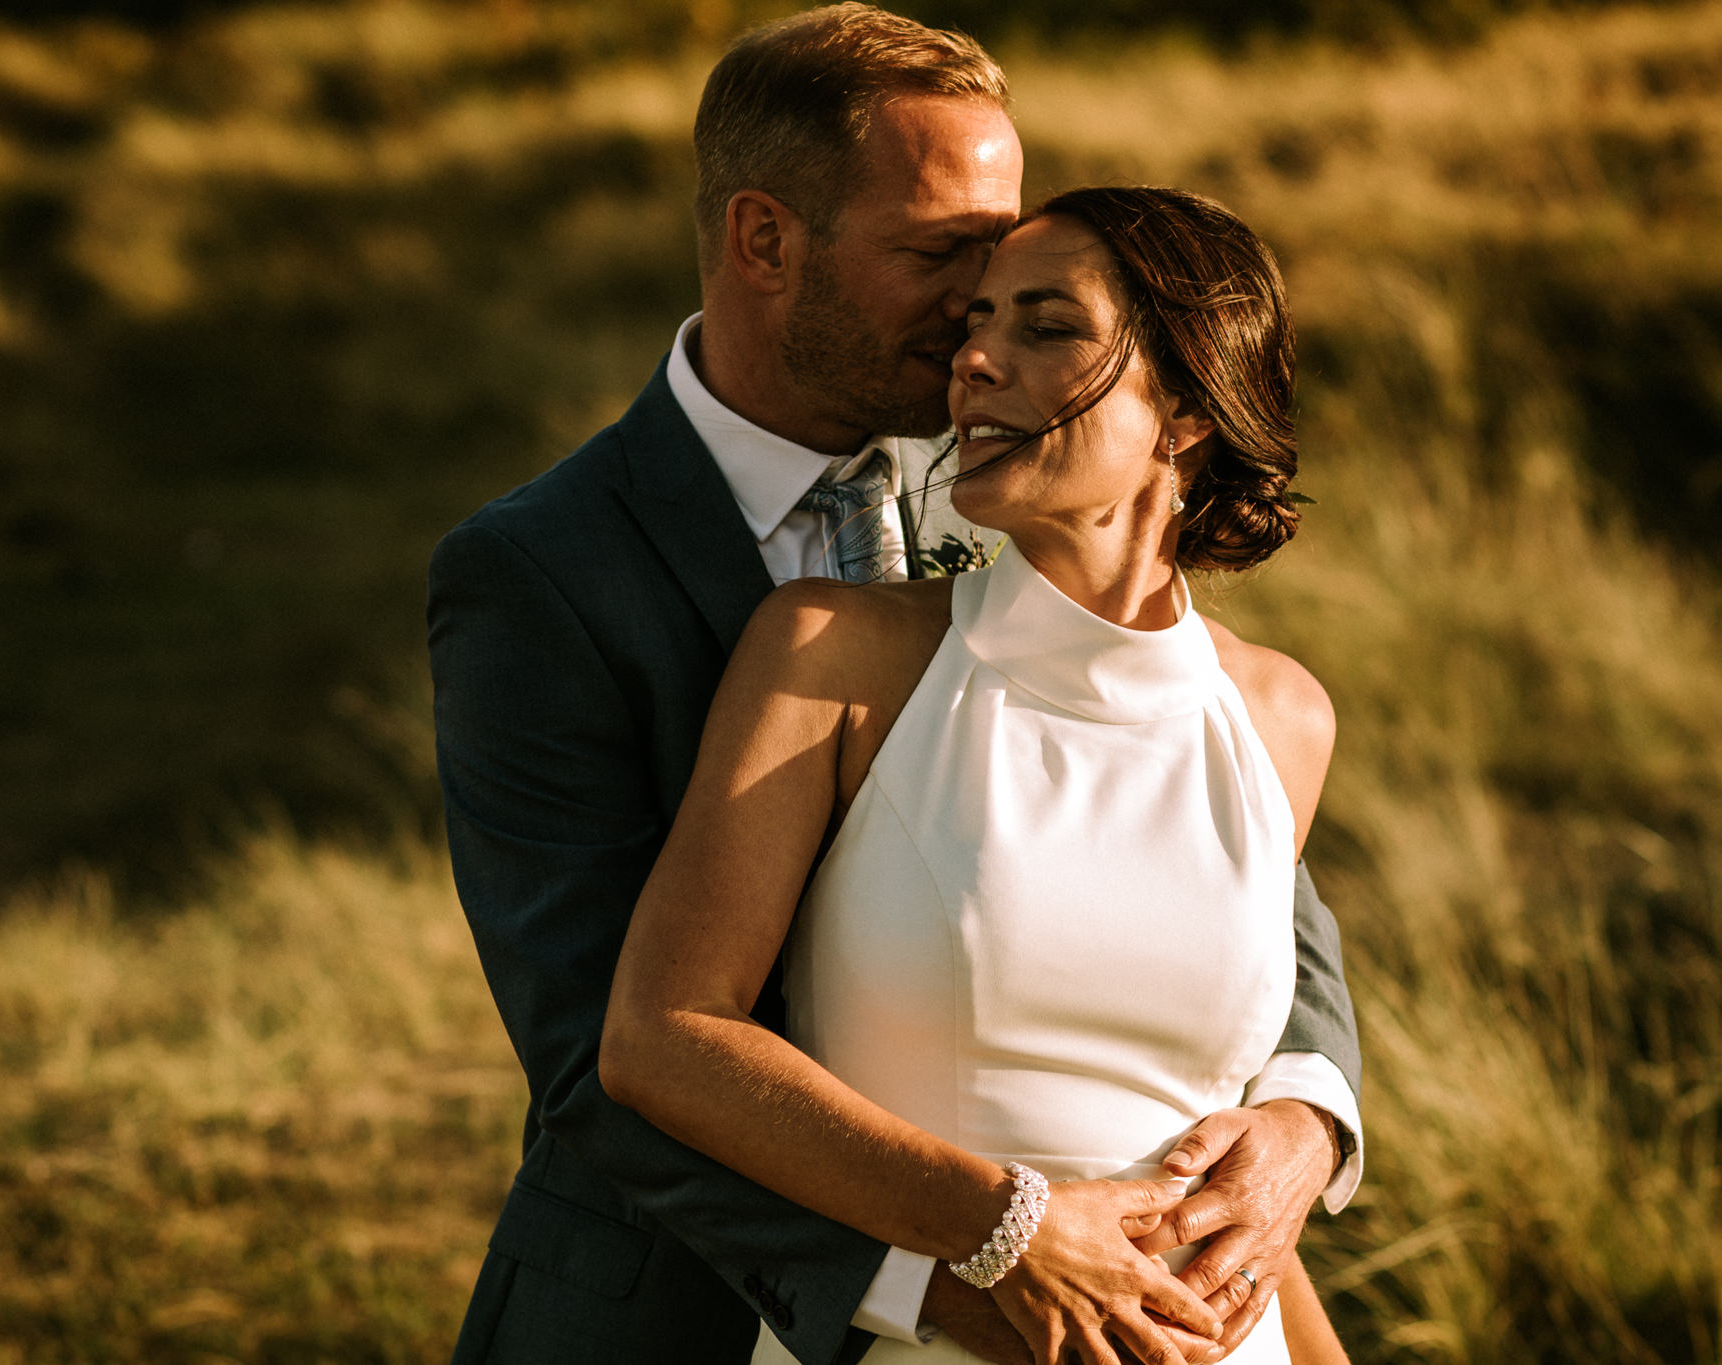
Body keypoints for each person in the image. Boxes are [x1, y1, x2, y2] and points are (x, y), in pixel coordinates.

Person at [427, 8, 1361, 1363]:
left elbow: (1255, 916)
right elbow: (601, 1057)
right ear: (766, 241)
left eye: (1007, 275)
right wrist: (975, 1263)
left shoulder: (1017, 489)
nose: (973, 333)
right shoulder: (544, 573)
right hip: (680, 1314)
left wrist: (1300, 1124)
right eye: (941, 261)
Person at [598, 184, 1344, 1365]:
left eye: (1046, 327)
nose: (976, 361)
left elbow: (1217, 1155)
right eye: (974, 324)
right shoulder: (834, 654)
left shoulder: (1279, 716)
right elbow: (664, 1034)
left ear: (1188, 409)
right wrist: (1007, 1225)